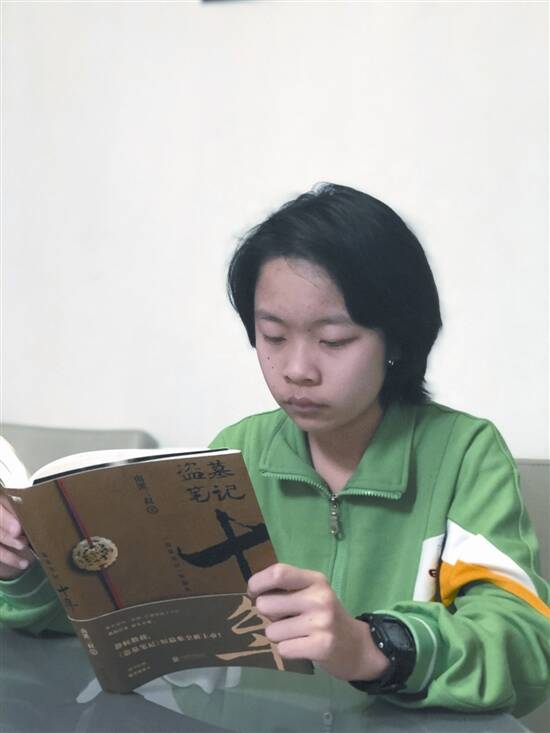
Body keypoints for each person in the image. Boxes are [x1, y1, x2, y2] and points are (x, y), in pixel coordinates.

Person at [1, 183, 549, 717]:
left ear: (399, 339)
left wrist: (373, 647)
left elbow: (525, 647)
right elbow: (131, 622)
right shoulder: (234, 453)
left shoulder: (463, 455)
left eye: (334, 340)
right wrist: (23, 567)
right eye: (274, 336)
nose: (297, 369)